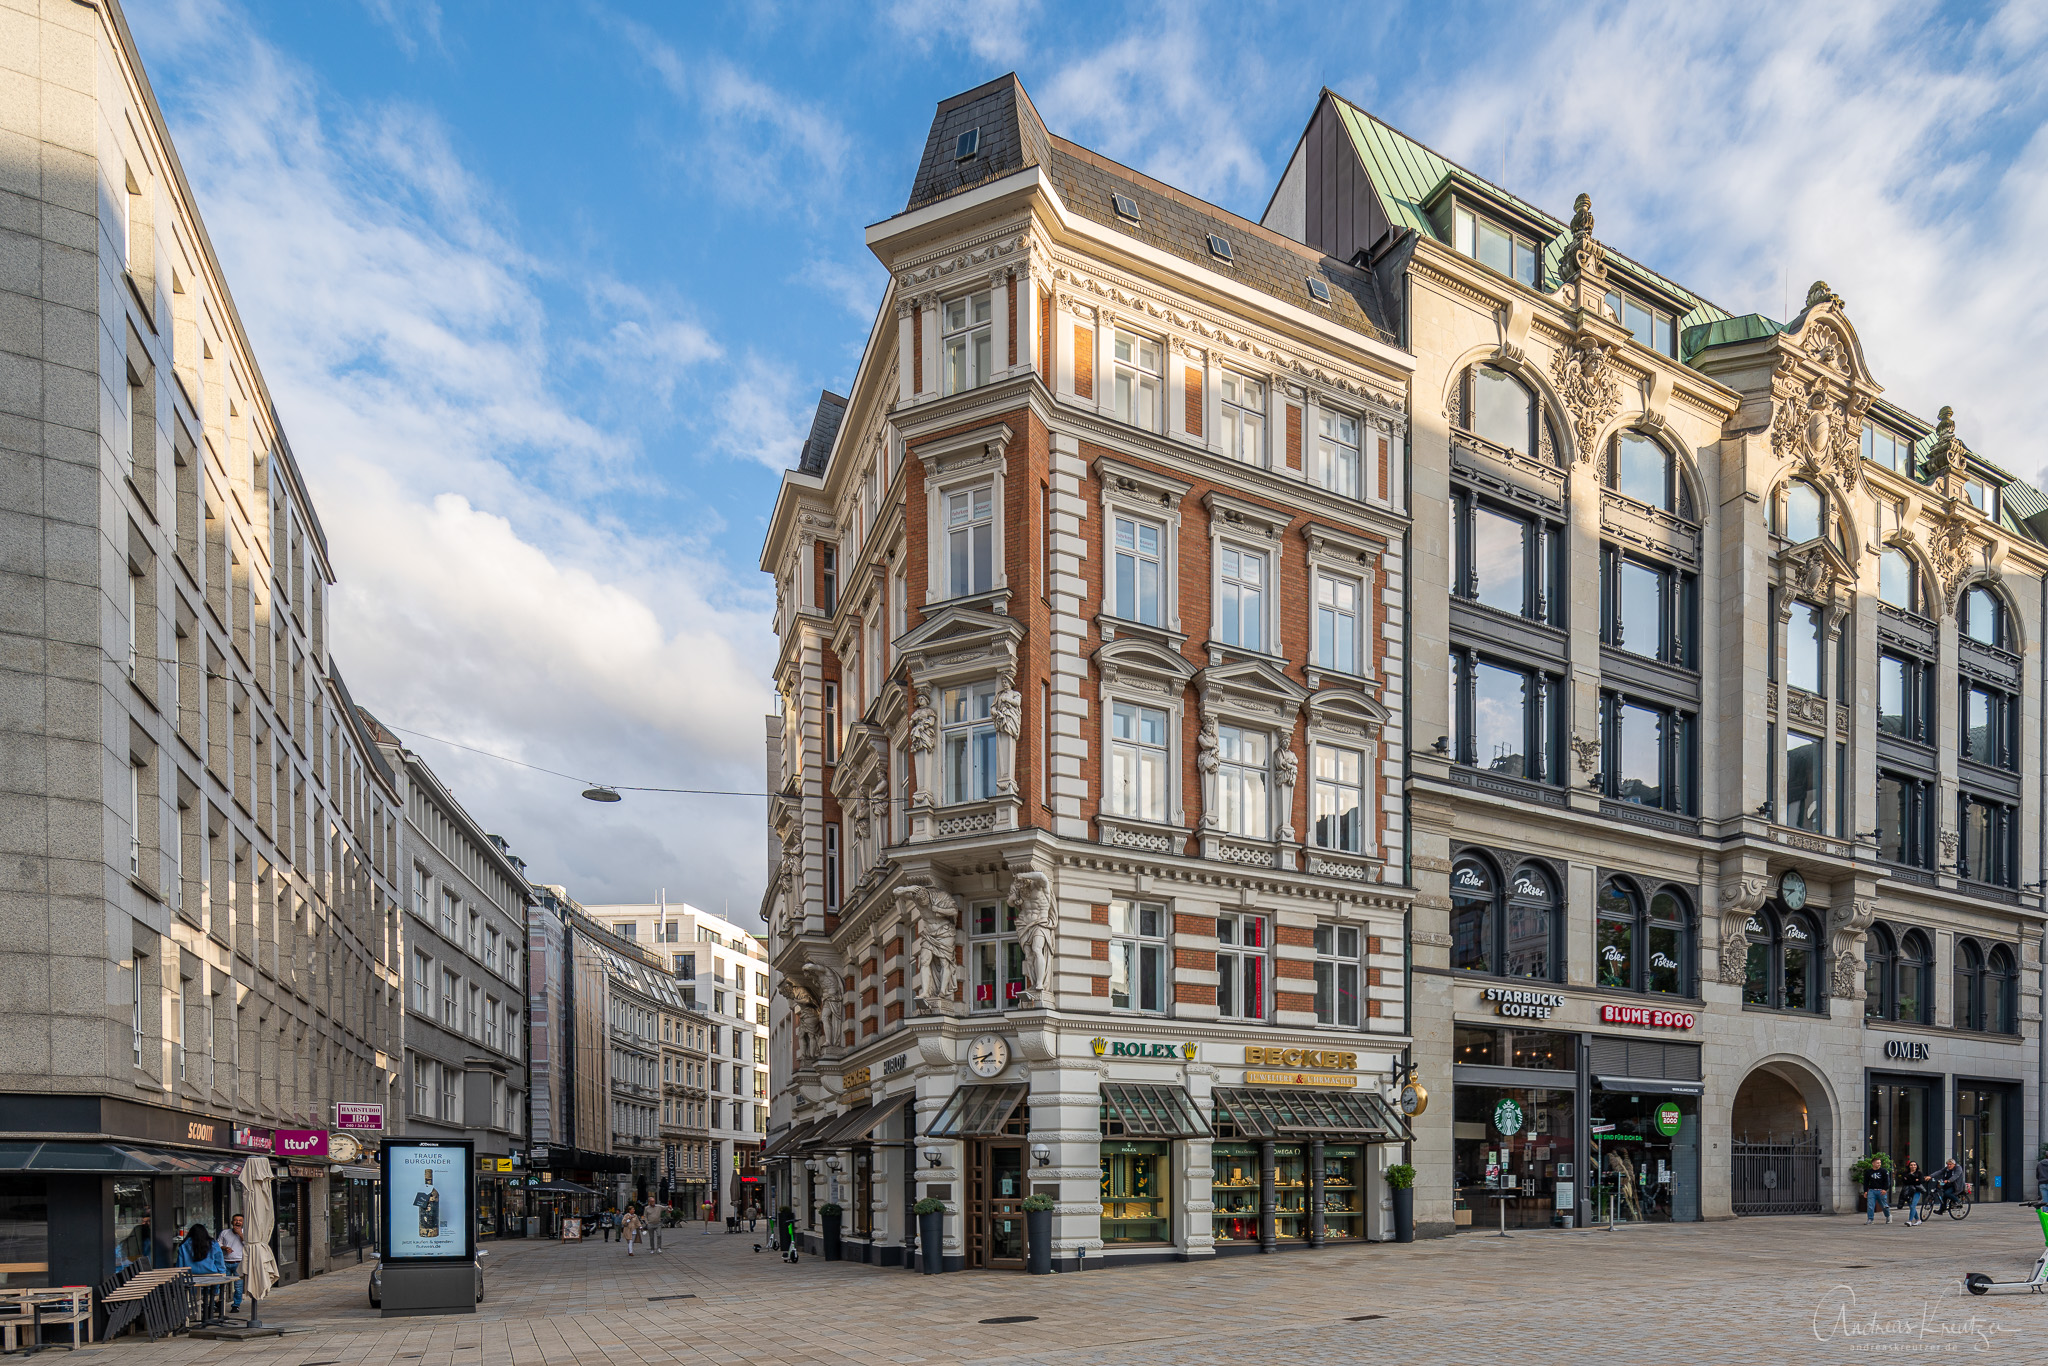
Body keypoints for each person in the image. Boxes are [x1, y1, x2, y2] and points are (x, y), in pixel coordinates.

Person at [1863, 1154, 1891, 1224]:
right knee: (1870, 1206)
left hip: (1881, 1190)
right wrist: (1865, 1191)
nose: (1879, 1164)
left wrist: (1885, 1189)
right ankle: (1870, 1219)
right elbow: (1866, 1182)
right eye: (1877, 1163)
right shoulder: (1868, 1172)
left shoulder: (1883, 1171)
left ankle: (1888, 1216)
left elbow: (1887, 1181)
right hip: (1872, 1191)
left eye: (1880, 1163)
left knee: (1884, 1206)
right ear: (1873, 1163)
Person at [1900, 1159, 1926, 1226]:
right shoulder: (1905, 1173)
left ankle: (1910, 1220)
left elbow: (1920, 1181)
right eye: (1911, 1165)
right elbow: (1904, 1181)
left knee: (1913, 1205)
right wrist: (1914, 1180)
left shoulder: (1920, 1173)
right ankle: (1918, 1220)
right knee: (1911, 1206)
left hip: (1916, 1191)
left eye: (1914, 1165)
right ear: (1909, 1166)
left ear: (1916, 1166)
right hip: (1908, 1192)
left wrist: (1910, 1180)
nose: (1913, 1166)